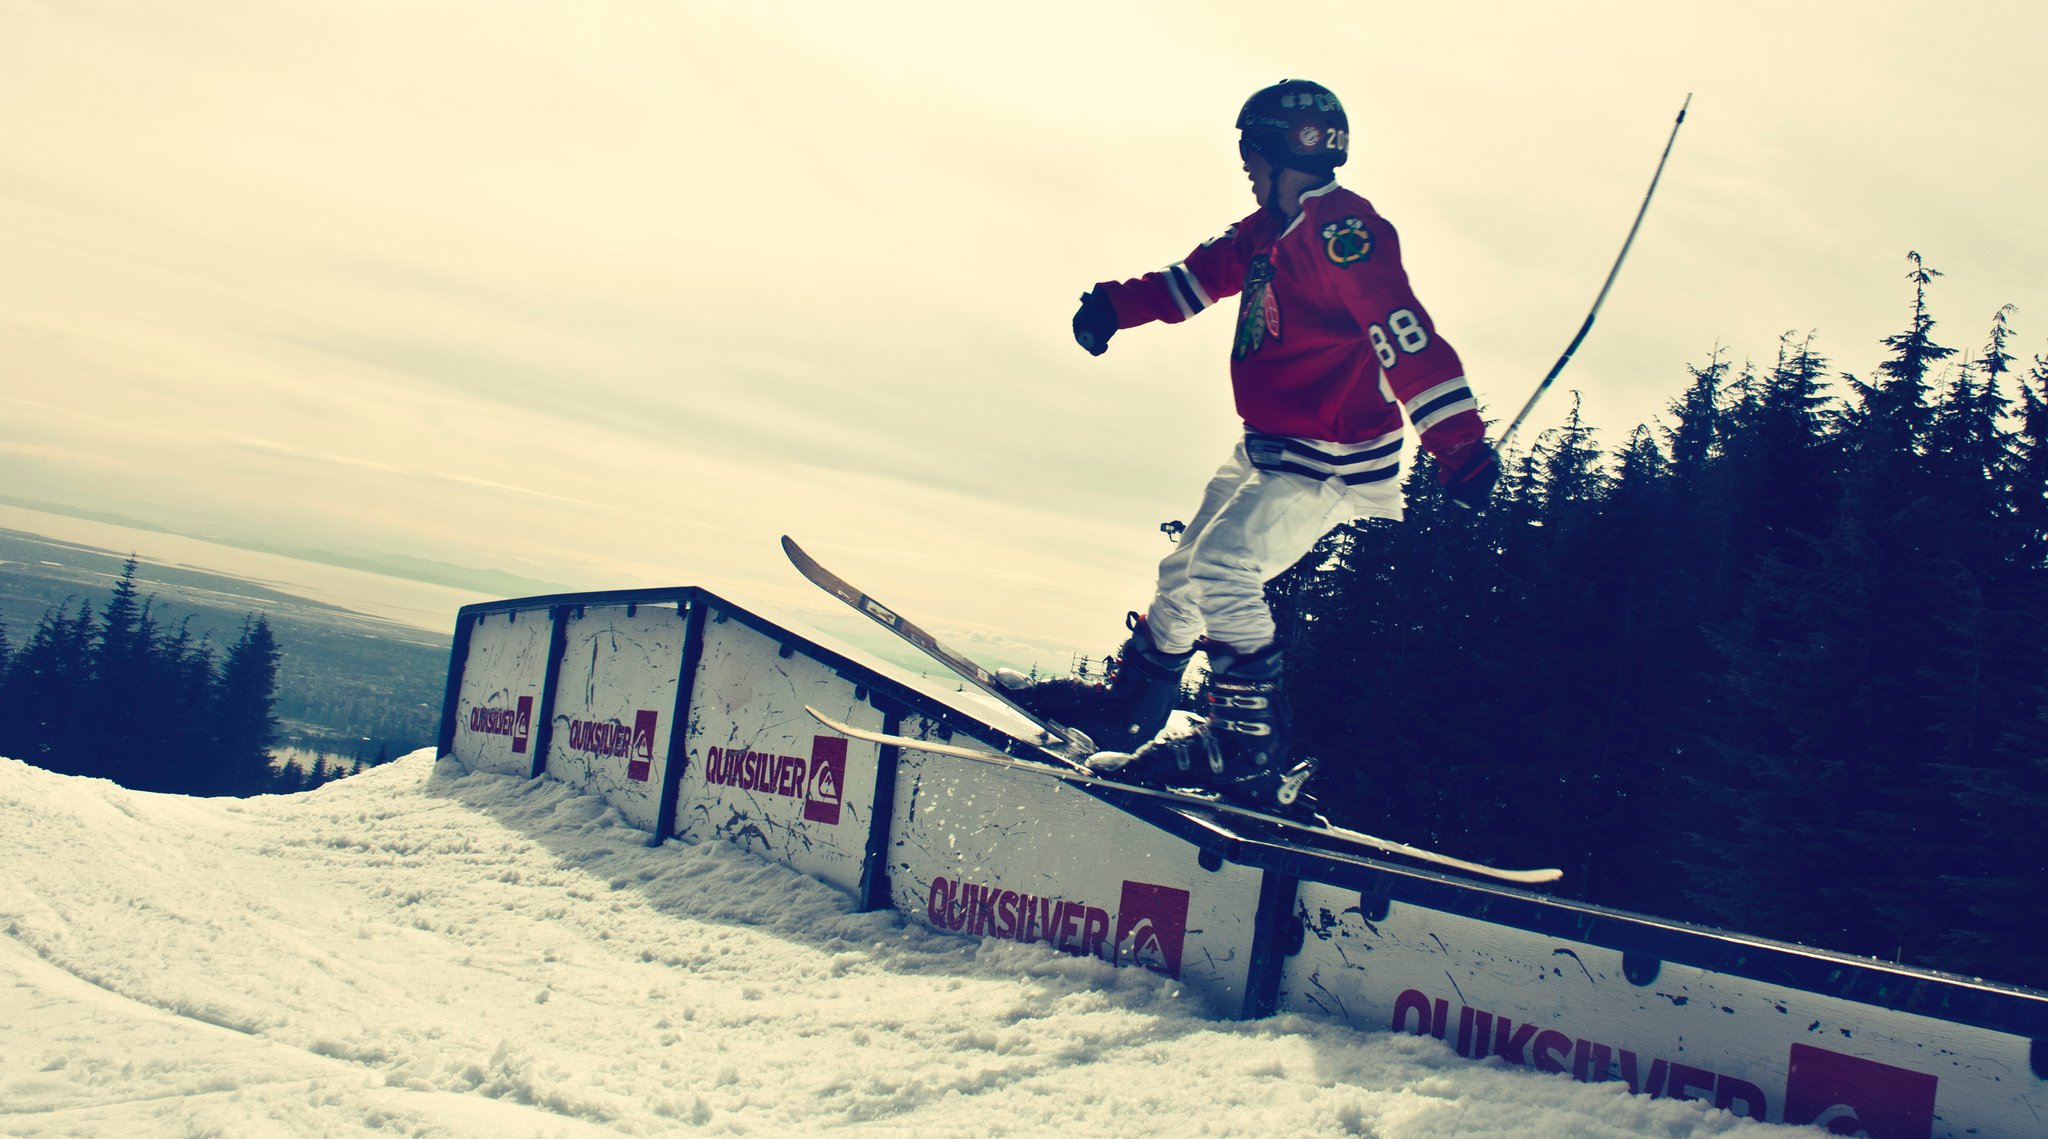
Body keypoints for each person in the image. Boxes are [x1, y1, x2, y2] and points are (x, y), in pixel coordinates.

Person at [1008, 79, 1500, 814]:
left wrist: (1456, 440)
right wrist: (1115, 304)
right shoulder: (1265, 231)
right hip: (1270, 443)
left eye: (1248, 149)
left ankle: (1247, 749)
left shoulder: (1343, 231)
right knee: (1183, 572)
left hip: (1330, 457)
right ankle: (1133, 707)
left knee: (1224, 566)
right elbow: (1193, 280)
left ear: (1278, 149)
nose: (1242, 164)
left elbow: (1401, 328)